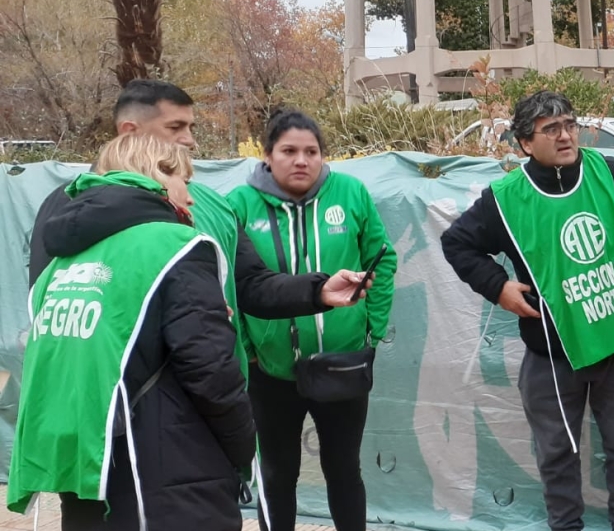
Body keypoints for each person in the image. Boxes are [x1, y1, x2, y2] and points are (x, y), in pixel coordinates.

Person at [441, 90, 614, 531]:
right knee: (556, 456)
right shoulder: (506, 198)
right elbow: (457, 243)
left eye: (570, 124)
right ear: (525, 144)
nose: (566, 135)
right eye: (551, 129)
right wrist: (497, 287)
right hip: (550, 355)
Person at [27, 80, 370, 365]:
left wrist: (317, 290)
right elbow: (56, 317)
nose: (190, 140)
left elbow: (252, 285)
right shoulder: (68, 208)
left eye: (191, 127)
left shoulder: (211, 205)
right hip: (116, 408)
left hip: (207, 395)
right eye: (175, 127)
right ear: (129, 132)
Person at [9, 134, 255, 530]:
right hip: (168, 476)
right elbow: (211, 371)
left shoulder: (64, 259)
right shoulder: (175, 245)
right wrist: (244, 447)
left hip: (87, 470)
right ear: (160, 174)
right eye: (186, 182)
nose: (191, 199)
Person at [226, 109, 396, 531]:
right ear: (267, 155)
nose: (301, 160)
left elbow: (384, 258)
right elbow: (232, 280)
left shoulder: (350, 193)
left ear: (322, 156)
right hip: (270, 371)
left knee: (343, 470)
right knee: (278, 474)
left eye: (311, 151)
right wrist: (247, 348)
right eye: (288, 151)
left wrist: (372, 328)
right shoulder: (239, 205)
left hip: (342, 364)